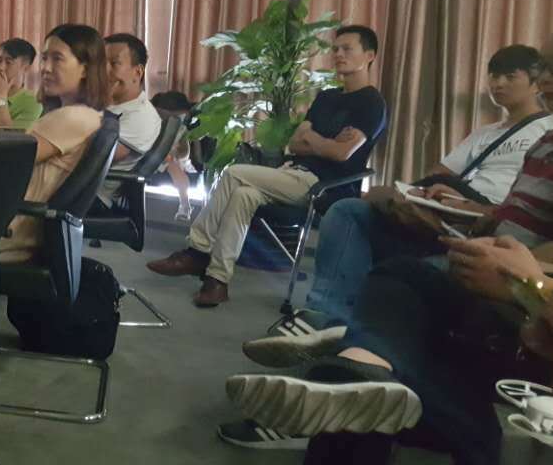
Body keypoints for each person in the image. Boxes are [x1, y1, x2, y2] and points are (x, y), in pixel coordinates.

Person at [227, 22, 553, 464]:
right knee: (360, 224)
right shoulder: (552, 142)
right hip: (482, 253)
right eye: (544, 66)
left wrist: (514, 275)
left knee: (398, 287)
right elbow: (506, 215)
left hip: (522, 298)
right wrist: (448, 214)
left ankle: (346, 349)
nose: (547, 77)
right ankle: (353, 357)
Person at [293, 45, 553, 329]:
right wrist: (424, 195)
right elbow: (439, 174)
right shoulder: (485, 133)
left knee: (404, 267)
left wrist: (470, 206)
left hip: (492, 219)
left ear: (536, 83)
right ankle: (327, 315)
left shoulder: (551, 131)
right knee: (348, 210)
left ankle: (355, 326)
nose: (498, 83)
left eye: (510, 76)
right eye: (494, 76)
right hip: (451, 210)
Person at [147, 26, 388, 308]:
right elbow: (295, 144)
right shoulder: (327, 97)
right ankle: (217, 280)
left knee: (233, 173)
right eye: (335, 49)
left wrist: (312, 137)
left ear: (369, 55)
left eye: (347, 49)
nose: (338, 54)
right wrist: (319, 141)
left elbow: (341, 153)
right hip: (293, 174)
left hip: (325, 186)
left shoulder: (372, 103)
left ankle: (197, 251)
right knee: (243, 195)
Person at [0, 24, 109, 264]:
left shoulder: (72, 118)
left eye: (57, 59)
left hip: (4, 233)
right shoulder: (87, 115)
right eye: (44, 58)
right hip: (15, 226)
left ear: (85, 68)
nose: (45, 68)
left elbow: (6, 162)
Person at [92, 33, 163, 211]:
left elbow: (96, 157)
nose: (104, 71)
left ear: (137, 72)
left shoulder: (141, 116)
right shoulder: (103, 103)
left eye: (114, 63)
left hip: (91, 198)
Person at [151, 90, 198, 222]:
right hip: (157, 157)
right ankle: (185, 204)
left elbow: (184, 152)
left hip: (177, 159)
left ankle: (185, 204)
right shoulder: (155, 123)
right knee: (171, 163)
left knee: (173, 165)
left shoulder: (181, 128)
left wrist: (175, 152)